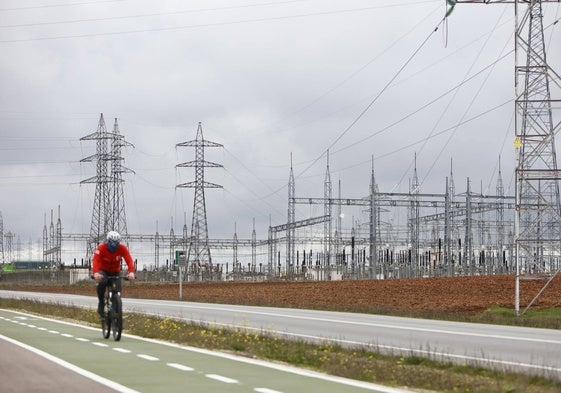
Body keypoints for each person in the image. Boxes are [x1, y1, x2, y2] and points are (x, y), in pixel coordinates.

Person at [92, 231, 136, 318]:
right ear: (108, 241)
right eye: (112, 243)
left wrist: (131, 272)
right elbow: (95, 260)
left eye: (116, 243)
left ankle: (116, 308)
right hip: (103, 271)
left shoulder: (122, 248)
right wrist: (96, 273)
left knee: (117, 288)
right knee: (102, 283)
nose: (114, 245)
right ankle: (101, 303)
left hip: (115, 271)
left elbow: (129, 260)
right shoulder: (101, 248)